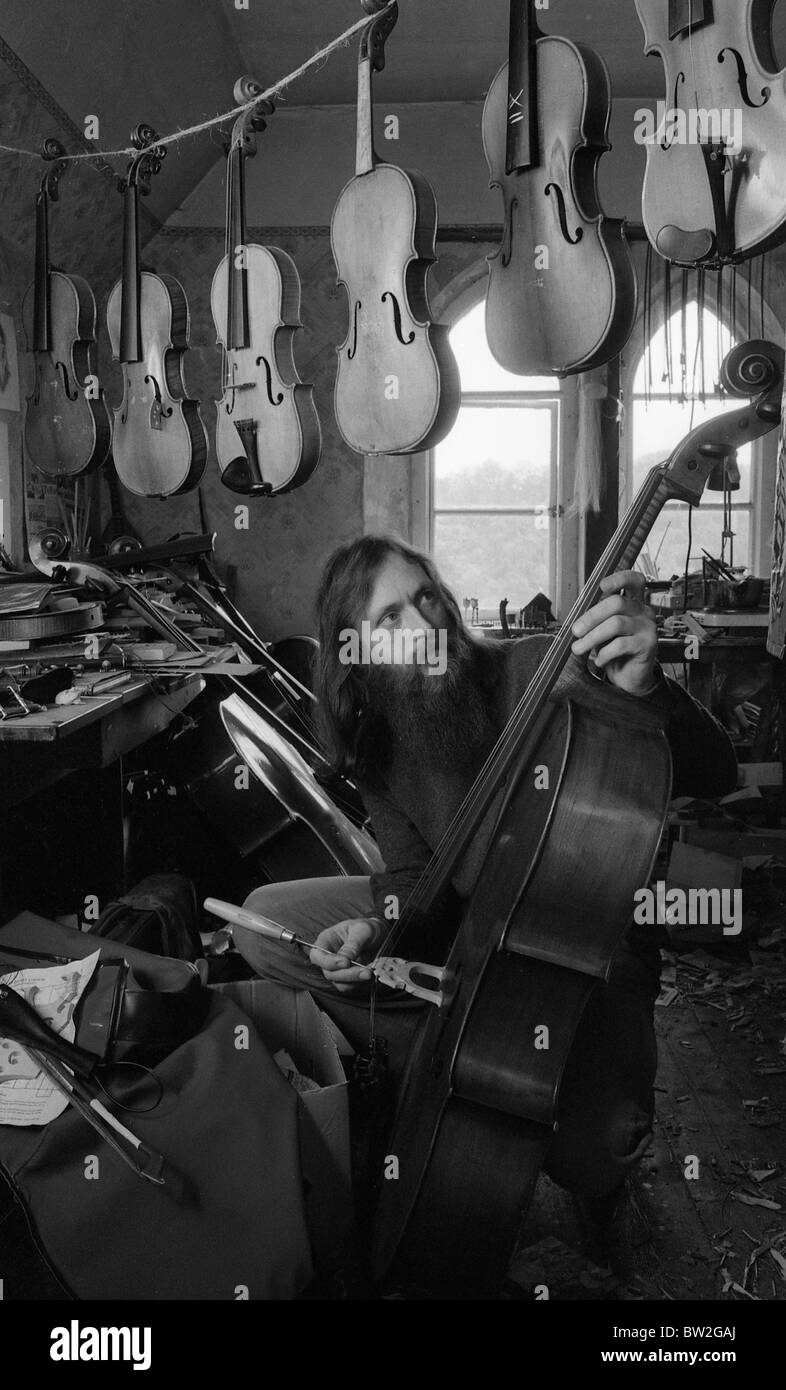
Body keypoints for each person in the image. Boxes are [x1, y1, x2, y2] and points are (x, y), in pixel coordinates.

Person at [233, 534, 737, 1209]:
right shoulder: (381, 737)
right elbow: (412, 882)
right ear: (357, 654)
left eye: (427, 598)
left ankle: (487, 1064)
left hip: (586, 947)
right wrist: (373, 931)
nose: (424, 626)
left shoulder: (546, 671)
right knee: (264, 923)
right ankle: (460, 1057)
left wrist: (649, 693)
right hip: (473, 942)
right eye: (390, 619)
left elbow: (716, 773)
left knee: (595, 1160)